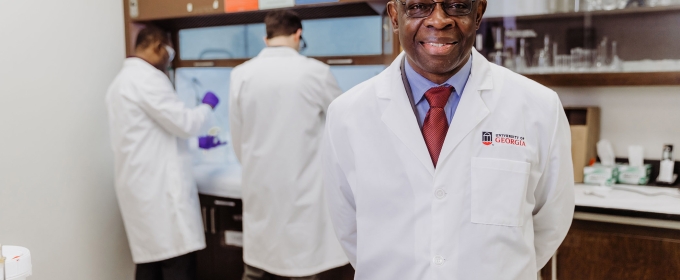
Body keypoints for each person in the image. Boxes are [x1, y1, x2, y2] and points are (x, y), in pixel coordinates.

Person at [322, 0, 575, 279]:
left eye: (457, 5)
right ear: (395, 16)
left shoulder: (539, 106)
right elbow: (348, 228)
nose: (439, 20)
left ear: (478, 13)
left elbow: (553, 221)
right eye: (419, 6)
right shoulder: (347, 114)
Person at [229, 9, 347, 280]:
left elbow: (239, 138)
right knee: (301, 267)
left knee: (260, 269)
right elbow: (343, 126)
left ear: (265, 37)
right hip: (303, 193)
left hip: (261, 190)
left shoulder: (241, 75)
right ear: (298, 34)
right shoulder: (316, 72)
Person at [106, 26, 224, 280]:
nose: (169, 59)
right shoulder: (147, 78)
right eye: (169, 52)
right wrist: (207, 106)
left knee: (151, 265)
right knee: (175, 263)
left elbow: (150, 136)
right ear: (158, 47)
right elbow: (184, 123)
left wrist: (196, 144)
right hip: (159, 192)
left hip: (142, 187)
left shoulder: (121, 82)